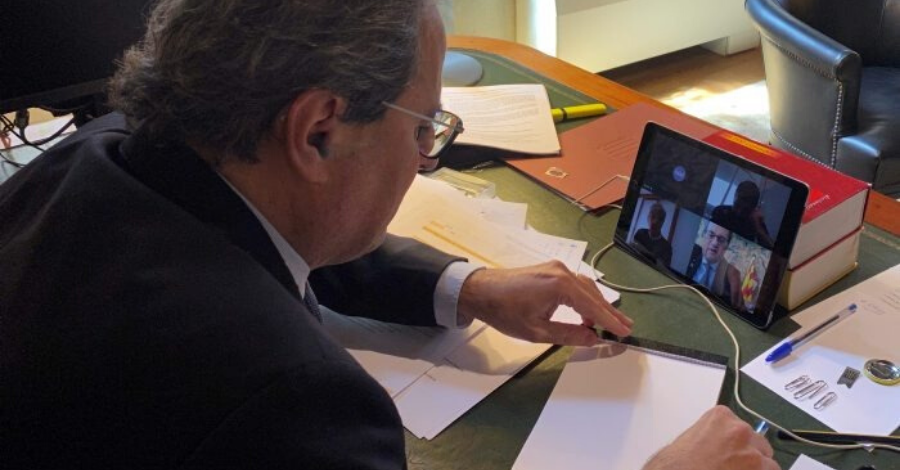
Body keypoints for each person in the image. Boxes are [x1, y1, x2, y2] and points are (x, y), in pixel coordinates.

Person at [0, 1, 776, 469]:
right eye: (423, 128)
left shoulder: (95, 157)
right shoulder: (297, 404)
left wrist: (470, 287)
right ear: (318, 131)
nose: (425, 161)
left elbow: (273, 229)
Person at [686, 221, 744, 309]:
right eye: (711, 235)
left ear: (726, 246)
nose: (714, 243)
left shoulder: (732, 275)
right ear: (704, 235)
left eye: (721, 240)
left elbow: (737, 307)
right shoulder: (689, 251)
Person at [712, 180, 775, 249]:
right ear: (734, 196)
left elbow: (772, 250)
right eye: (737, 206)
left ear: (754, 208)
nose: (739, 213)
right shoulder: (720, 211)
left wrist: (759, 229)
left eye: (746, 210)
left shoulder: (755, 221)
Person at [631, 202, 673, 268]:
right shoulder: (640, 233)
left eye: (660, 219)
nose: (655, 221)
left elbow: (663, 269)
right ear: (648, 217)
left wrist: (644, 251)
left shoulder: (667, 247)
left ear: (663, 222)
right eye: (653, 216)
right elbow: (632, 250)